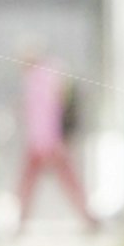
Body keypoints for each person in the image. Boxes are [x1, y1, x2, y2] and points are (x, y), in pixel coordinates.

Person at [14, 45, 97, 230]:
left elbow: (45, 114)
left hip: (45, 141)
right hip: (49, 140)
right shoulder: (52, 74)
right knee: (66, 181)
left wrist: (48, 140)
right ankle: (88, 217)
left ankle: (20, 221)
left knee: (31, 183)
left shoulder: (39, 79)